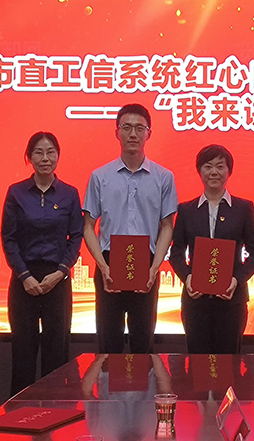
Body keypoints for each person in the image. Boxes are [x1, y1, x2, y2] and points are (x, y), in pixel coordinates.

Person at [82, 103, 178, 353]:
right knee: (108, 341)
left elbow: (167, 226)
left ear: (149, 133)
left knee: (142, 342)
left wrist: (154, 268)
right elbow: (88, 226)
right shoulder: (100, 176)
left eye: (139, 128)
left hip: (146, 264)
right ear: (117, 132)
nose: (133, 134)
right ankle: (107, 382)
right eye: (126, 127)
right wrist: (102, 266)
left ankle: (143, 382)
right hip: (109, 262)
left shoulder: (164, 177)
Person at [1, 131, 83, 396]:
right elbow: (9, 238)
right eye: (38, 152)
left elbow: (76, 236)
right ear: (29, 157)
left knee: (57, 353)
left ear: (58, 156)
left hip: (57, 279)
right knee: (23, 352)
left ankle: (55, 414)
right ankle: (19, 413)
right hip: (24, 279)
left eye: (50, 152)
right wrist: (24, 276)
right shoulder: (16, 193)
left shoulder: (69, 193)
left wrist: (60, 272)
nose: (45, 158)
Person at [169, 144, 254, 354]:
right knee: (198, 361)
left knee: (229, 361)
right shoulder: (186, 210)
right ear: (199, 171)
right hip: (196, 301)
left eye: (220, 166)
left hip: (232, 300)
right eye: (208, 166)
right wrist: (188, 278)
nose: (214, 172)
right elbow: (176, 253)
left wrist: (236, 280)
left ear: (229, 171)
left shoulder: (243, 208)